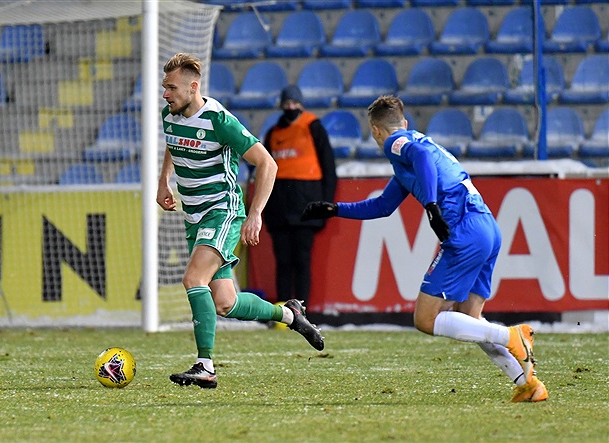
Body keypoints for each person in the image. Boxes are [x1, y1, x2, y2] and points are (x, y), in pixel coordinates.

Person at [301, 95, 548, 403]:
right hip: (486, 227)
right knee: (469, 318)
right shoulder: (415, 153)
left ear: (376, 131)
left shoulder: (398, 142)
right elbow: (382, 206)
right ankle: (528, 383)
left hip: (464, 230)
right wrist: (335, 208)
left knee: (425, 320)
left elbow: (420, 156)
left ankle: (512, 336)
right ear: (404, 121)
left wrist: (431, 206)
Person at [157, 53, 324, 389]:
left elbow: (268, 164)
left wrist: (256, 213)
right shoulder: (170, 114)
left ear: (193, 87)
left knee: (193, 279)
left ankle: (205, 366)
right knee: (225, 302)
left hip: (222, 211)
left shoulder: (220, 120)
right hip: (195, 216)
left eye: (172, 87)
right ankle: (290, 314)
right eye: (164, 87)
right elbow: (173, 145)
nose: (165, 94)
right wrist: (165, 181)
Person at [263, 85, 337, 309]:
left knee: (302, 260)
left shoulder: (313, 127)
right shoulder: (273, 134)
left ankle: (301, 310)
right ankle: (283, 313)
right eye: (287, 104)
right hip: (279, 209)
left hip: (306, 207)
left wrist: (325, 206)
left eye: (295, 103)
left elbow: (329, 170)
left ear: (301, 104)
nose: (291, 108)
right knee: (283, 261)